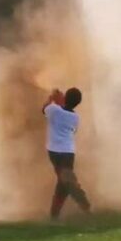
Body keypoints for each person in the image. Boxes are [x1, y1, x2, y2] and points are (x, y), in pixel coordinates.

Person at [43, 88, 91, 219]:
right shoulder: (75, 117)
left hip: (54, 151)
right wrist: (59, 102)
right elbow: (73, 131)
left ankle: (81, 202)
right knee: (64, 180)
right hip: (69, 152)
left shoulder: (54, 109)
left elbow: (44, 109)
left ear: (65, 98)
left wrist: (52, 98)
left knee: (65, 182)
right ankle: (56, 213)